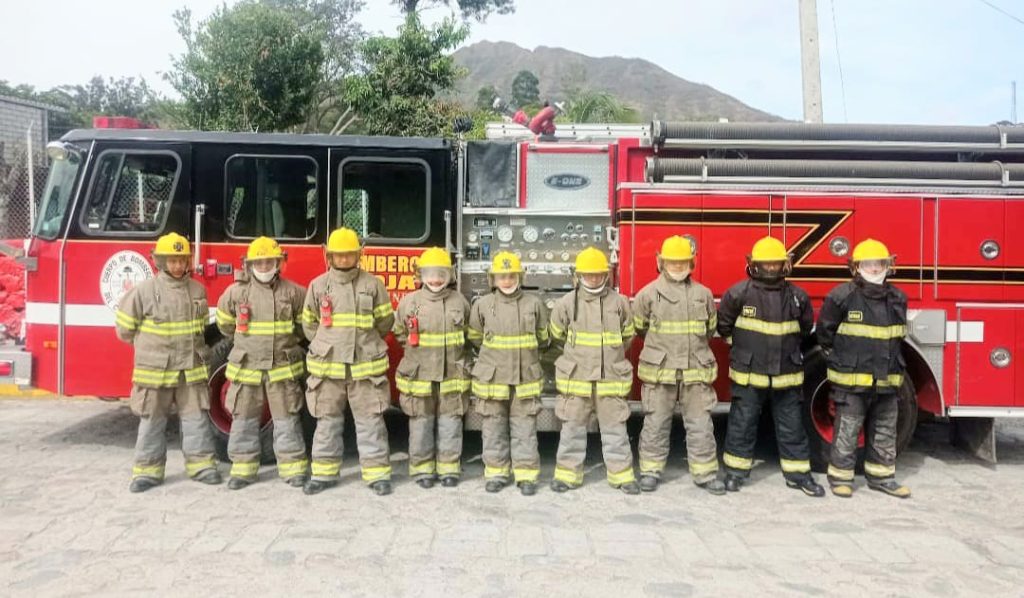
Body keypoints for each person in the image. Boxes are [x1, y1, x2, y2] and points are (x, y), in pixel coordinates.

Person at [717, 236, 824, 497]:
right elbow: (724, 327)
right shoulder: (738, 294)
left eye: (775, 264)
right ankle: (735, 473)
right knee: (742, 424)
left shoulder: (797, 297)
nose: (771, 269)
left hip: (786, 375)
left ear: (784, 265)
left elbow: (804, 329)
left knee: (792, 426)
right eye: (766, 264)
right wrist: (743, 350)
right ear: (754, 265)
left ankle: (798, 475)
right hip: (749, 374)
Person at [115, 232, 220, 492]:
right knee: (152, 420)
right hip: (156, 372)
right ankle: (147, 472)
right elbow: (124, 330)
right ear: (160, 261)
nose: (177, 265)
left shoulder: (197, 290)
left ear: (188, 261)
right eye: (171, 260)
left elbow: (200, 329)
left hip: (190, 370)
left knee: (196, 419)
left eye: (181, 260)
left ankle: (202, 466)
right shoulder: (144, 291)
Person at [301, 228, 396, 496]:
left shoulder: (373, 285)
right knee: (327, 421)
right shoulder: (318, 286)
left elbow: (385, 322)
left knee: (370, 421)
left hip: (366, 368)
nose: (343, 260)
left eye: (349, 255)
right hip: (327, 369)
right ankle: (323, 474)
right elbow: (308, 323)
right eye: (338, 255)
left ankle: (377, 474)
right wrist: (325, 344)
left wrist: (366, 343)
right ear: (329, 256)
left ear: (358, 255)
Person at [818, 238, 911, 499]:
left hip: (888, 379)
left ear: (888, 266)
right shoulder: (841, 297)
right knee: (847, 430)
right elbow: (825, 335)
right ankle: (840, 478)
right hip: (851, 381)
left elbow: (897, 338)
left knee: (885, 431)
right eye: (868, 264)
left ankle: (882, 478)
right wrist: (841, 363)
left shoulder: (897, 298)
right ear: (856, 267)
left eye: (878, 263)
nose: (873, 269)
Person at [633, 235, 725, 494]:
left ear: (691, 263)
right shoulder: (647, 295)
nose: (677, 266)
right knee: (656, 422)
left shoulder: (703, 294)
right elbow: (640, 328)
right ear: (661, 263)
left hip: (695, 371)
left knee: (700, 424)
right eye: (672, 262)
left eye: (682, 262)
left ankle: (705, 473)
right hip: (660, 372)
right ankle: (650, 471)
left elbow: (709, 329)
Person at [215, 236, 308, 490]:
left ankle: (293, 469)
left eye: (270, 262)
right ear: (249, 264)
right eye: (260, 262)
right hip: (247, 368)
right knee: (243, 419)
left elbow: (303, 327)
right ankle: (243, 470)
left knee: (287, 419)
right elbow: (224, 325)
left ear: (279, 263)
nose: (265, 266)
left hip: (281, 368)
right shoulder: (235, 293)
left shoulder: (295, 292)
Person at [549, 247, 640, 495]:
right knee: (572, 428)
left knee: (615, 429)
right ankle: (567, 476)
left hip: (610, 379)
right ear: (578, 276)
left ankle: (622, 476)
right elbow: (556, 336)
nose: (593, 279)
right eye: (588, 275)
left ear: (606, 275)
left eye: (598, 274)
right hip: (576, 379)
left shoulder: (619, 303)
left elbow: (628, 335)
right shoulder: (566, 304)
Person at [467, 251, 549, 496]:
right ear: (493, 279)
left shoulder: (534, 304)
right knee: (493, 428)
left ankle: (526, 475)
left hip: (525, 378)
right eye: (501, 276)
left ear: (519, 276)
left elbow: (543, 338)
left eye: (511, 275)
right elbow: (474, 337)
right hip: (493, 379)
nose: (506, 280)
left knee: (525, 427)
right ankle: (496, 473)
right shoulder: (482, 305)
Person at [393, 247, 472, 488]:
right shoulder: (409, 303)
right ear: (420, 275)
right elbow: (399, 332)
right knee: (421, 422)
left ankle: (449, 468)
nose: (435, 279)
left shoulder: (460, 302)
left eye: (441, 274)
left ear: (450, 275)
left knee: (451, 422)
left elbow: (470, 334)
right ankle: (422, 470)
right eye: (430, 274)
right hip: (419, 376)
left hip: (452, 376)